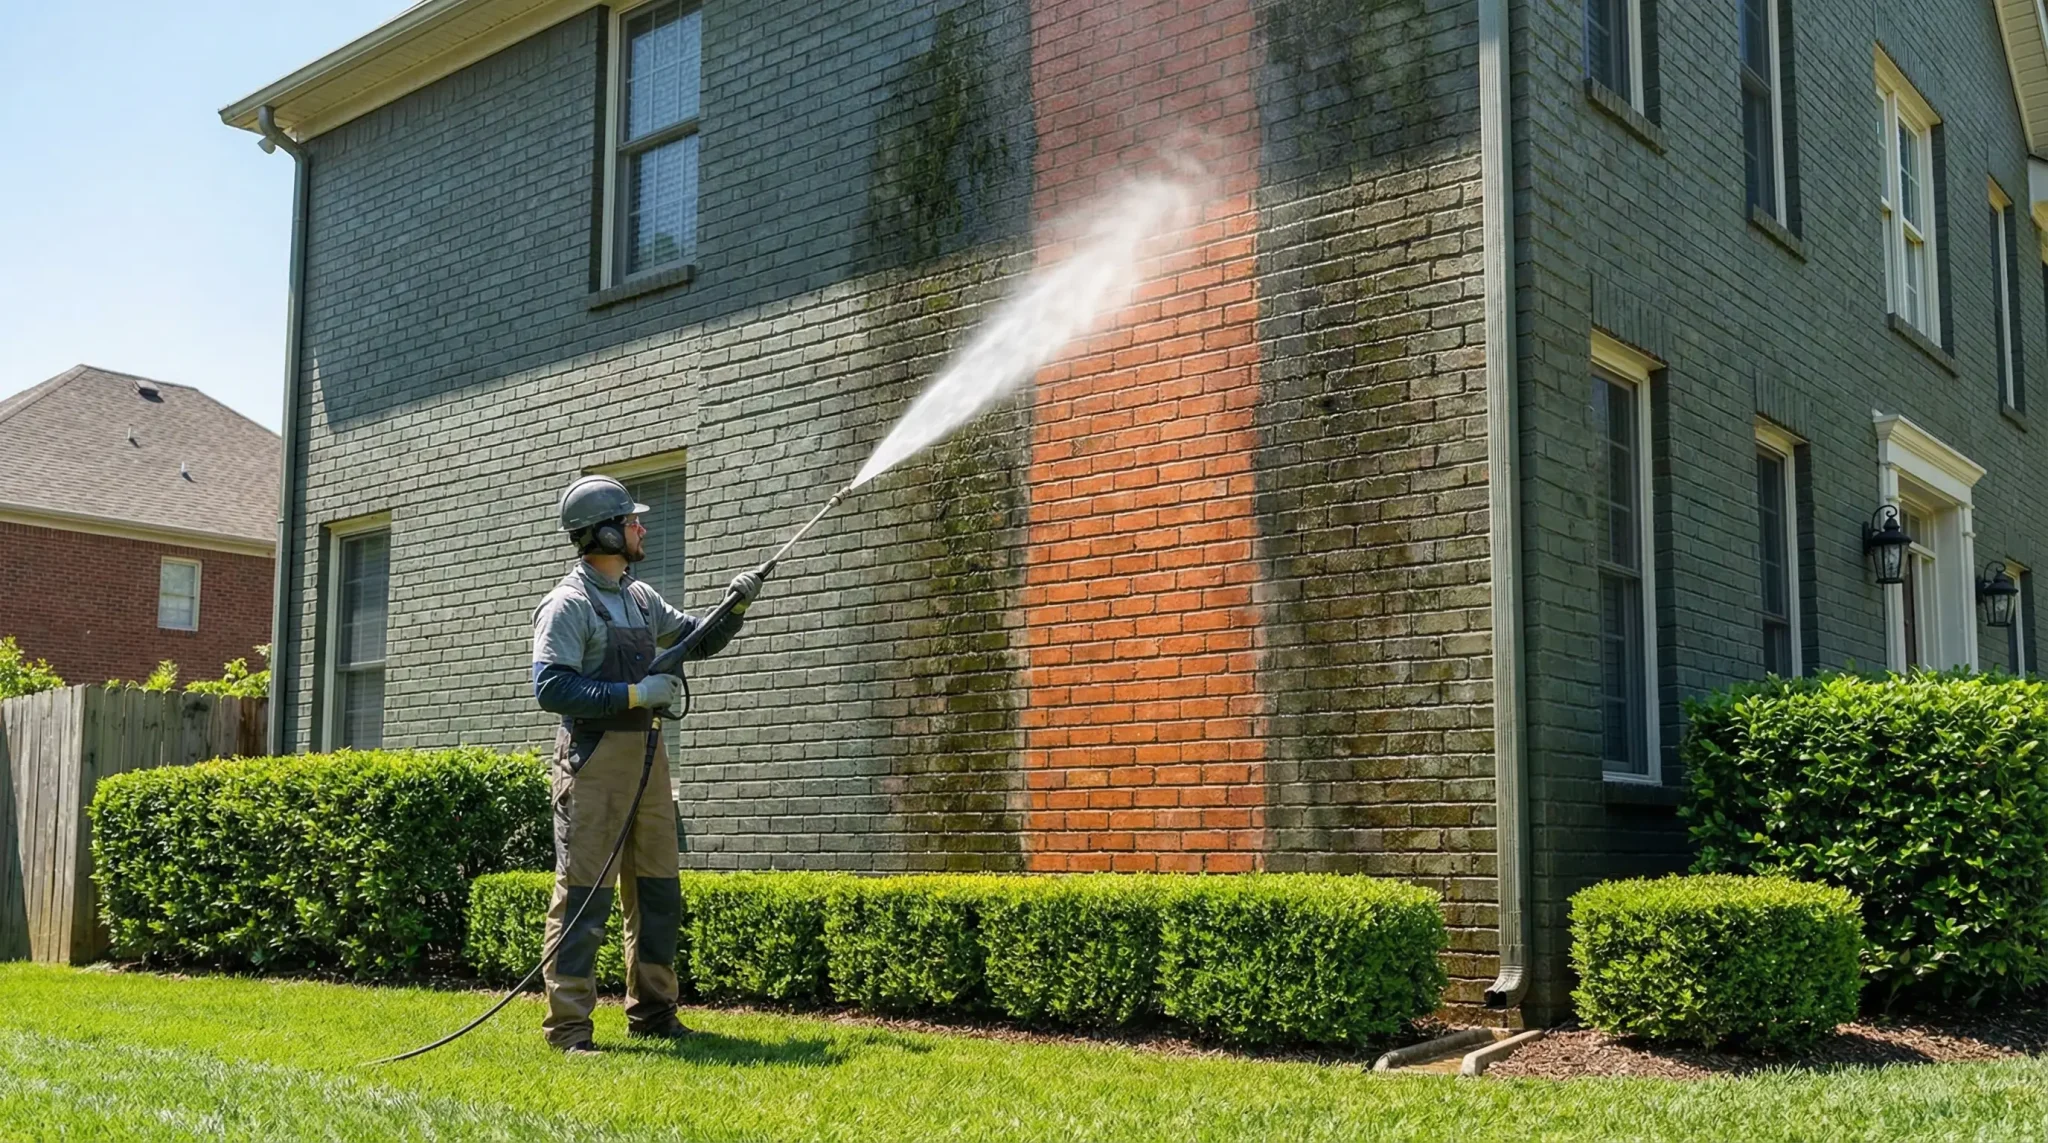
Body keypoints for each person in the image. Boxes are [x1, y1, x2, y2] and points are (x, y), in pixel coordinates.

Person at [529, 474, 760, 1054]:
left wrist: (734, 606)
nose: (642, 527)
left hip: (649, 764)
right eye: (632, 520)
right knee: (584, 897)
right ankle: (570, 1029)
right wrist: (636, 696)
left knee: (658, 894)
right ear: (604, 532)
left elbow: (694, 640)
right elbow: (552, 688)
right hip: (594, 764)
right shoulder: (568, 605)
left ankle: (654, 1013)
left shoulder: (638, 596)